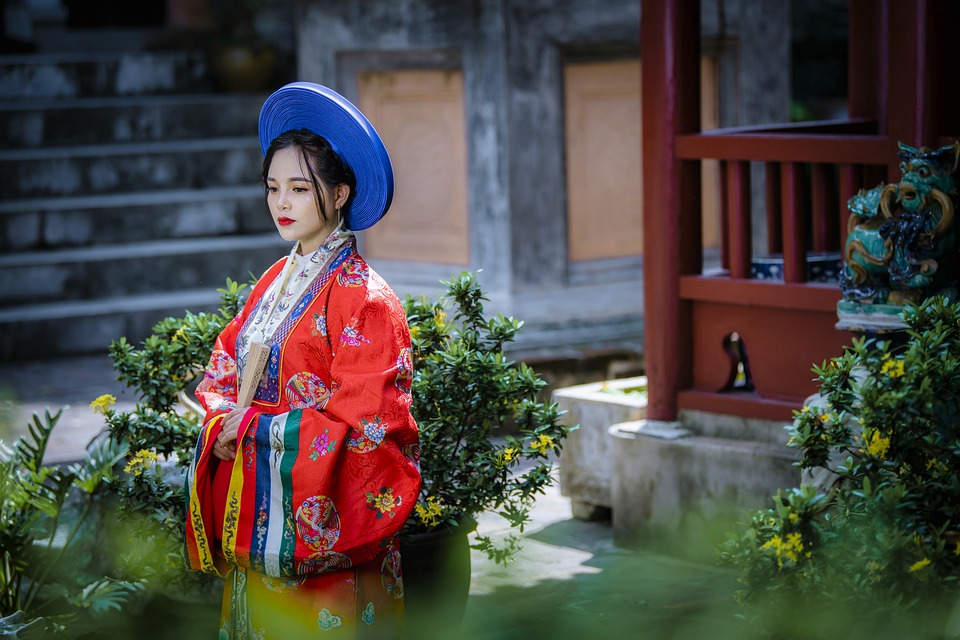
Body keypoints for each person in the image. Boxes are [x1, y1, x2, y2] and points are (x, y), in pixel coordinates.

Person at [185, 82, 422, 639]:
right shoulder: (275, 280)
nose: (281, 204)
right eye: (272, 188)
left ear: (339, 194)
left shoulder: (365, 299)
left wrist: (249, 431)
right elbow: (226, 361)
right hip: (260, 515)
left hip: (323, 542)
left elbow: (367, 426)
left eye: (299, 187)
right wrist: (220, 418)